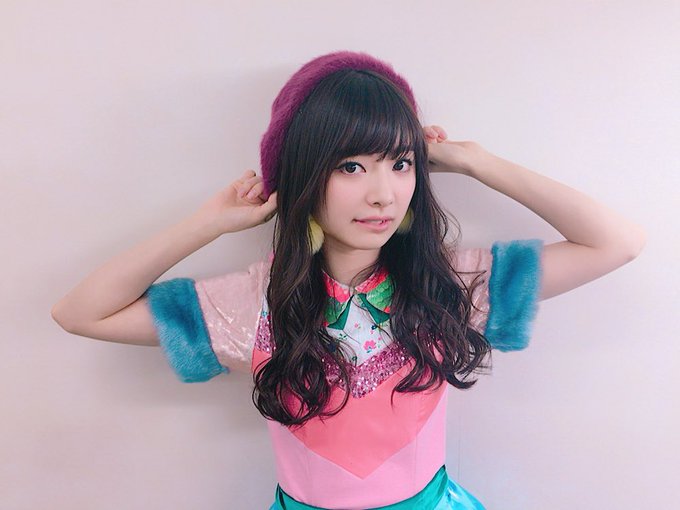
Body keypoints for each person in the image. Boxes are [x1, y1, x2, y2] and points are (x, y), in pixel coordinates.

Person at [51, 51, 646, 509]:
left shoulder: (451, 283)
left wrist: (474, 160)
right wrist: (208, 224)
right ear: (305, 176)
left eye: (400, 163)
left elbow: (616, 242)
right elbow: (80, 313)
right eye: (351, 166)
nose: (383, 193)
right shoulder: (258, 303)